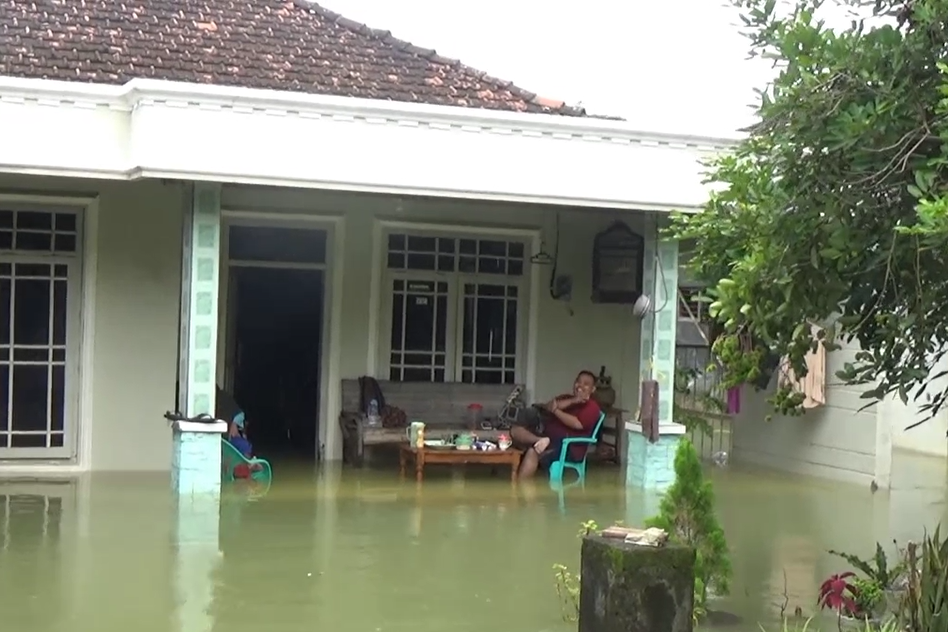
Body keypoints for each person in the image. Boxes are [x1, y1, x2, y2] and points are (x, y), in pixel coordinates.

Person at [510, 370, 602, 478]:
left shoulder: (592, 407)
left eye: (586, 384)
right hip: (547, 437)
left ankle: (522, 490)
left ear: (593, 389)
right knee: (515, 430)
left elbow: (578, 424)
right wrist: (573, 400)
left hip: (568, 446)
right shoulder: (567, 398)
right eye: (578, 381)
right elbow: (550, 406)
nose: (580, 386)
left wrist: (556, 411)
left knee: (533, 451)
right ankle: (539, 440)